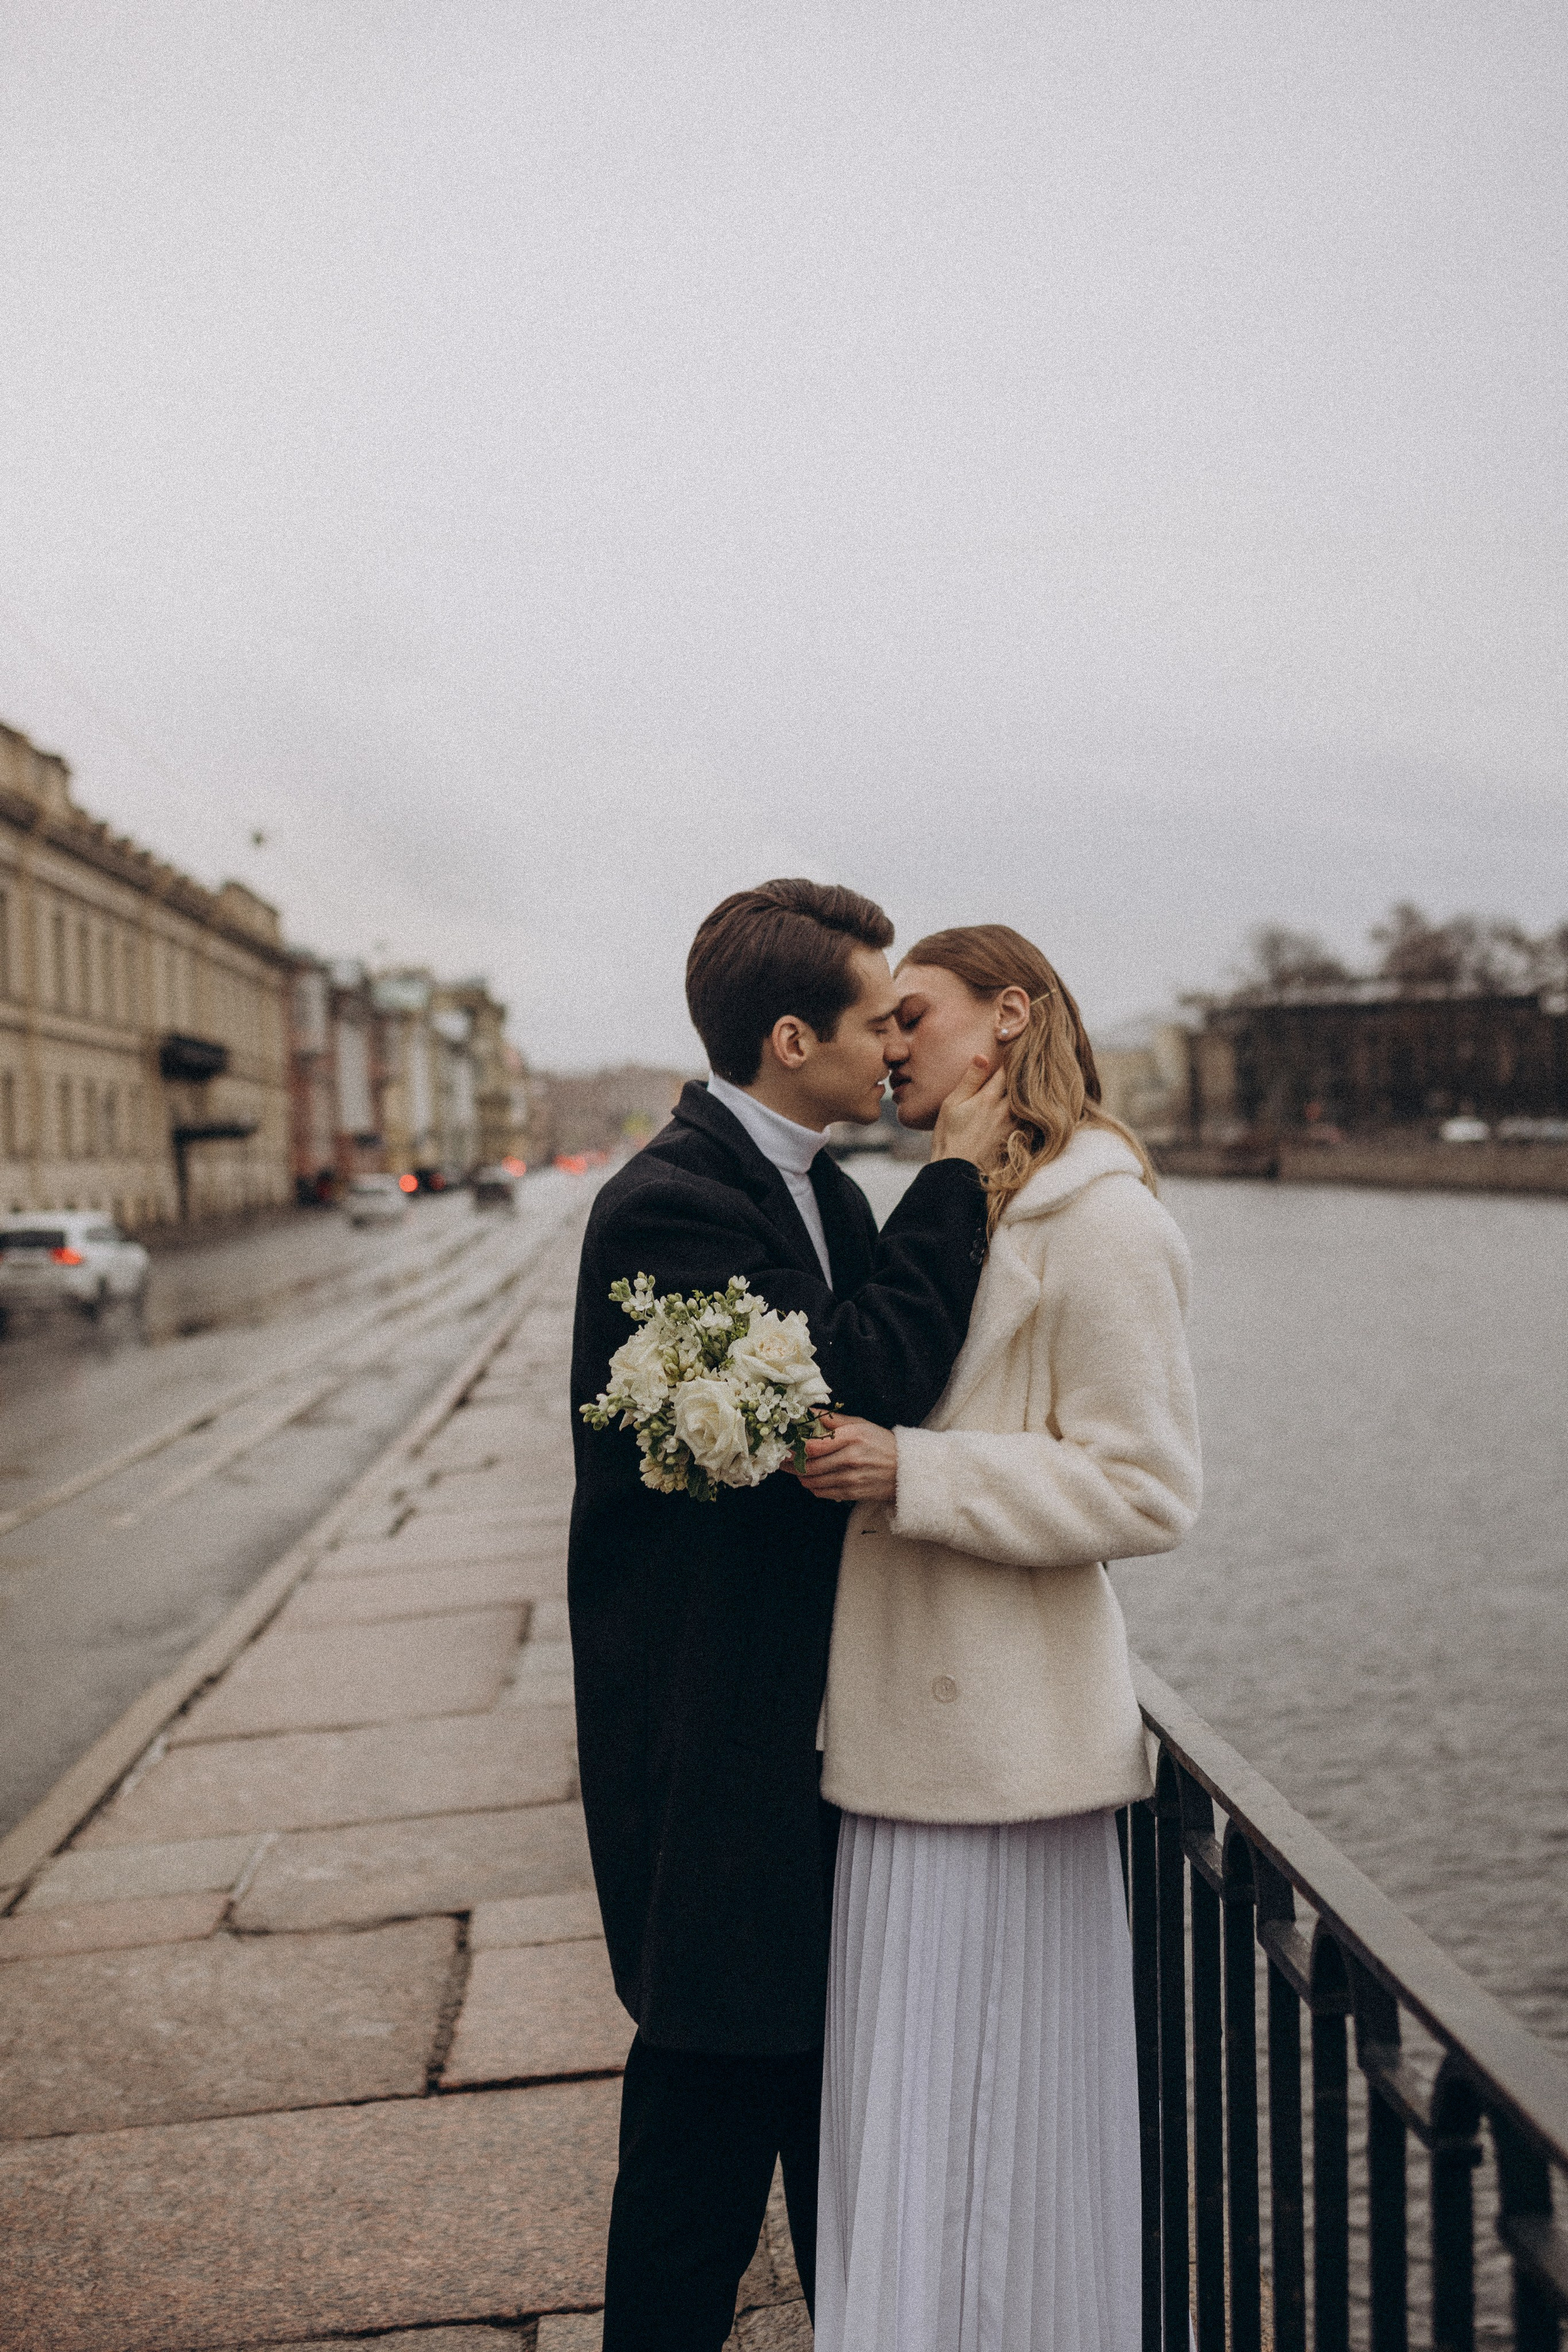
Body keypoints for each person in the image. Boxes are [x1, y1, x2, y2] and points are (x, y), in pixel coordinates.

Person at [569, 880, 1014, 2352]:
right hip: (711, 1739)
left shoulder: (818, 1187)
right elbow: (866, 1372)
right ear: (787, 1036)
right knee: (703, 2108)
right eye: (876, 1013)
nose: (895, 1040)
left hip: (809, 1731)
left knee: (827, 2098)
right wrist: (953, 1174)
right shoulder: (667, 1203)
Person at [799, 923, 1202, 2352]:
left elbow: (1147, 1486)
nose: (888, 1041)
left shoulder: (1102, 1216)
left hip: (1005, 1759)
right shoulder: (952, 1194)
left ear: (1006, 1017)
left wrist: (917, 1472)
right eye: (879, 1021)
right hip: (901, 1742)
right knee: (906, 2116)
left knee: (987, 2123)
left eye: (913, 1015)